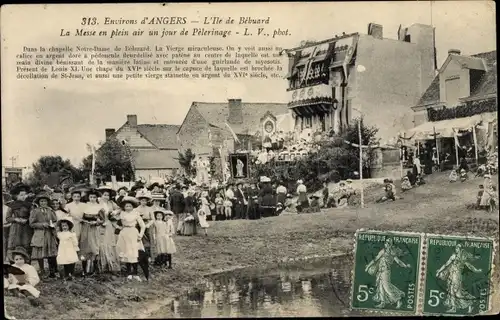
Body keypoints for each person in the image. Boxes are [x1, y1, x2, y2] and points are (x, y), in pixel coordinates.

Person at [115, 196, 146, 281]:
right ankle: (129, 272)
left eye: (130, 206)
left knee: (134, 252)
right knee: (126, 252)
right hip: (124, 233)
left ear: (133, 207)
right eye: (126, 206)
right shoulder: (122, 214)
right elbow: (114, 218)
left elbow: (143, 226)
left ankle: (135, 273)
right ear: (124, 207)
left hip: (133, 233)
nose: (128, 208)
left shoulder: (136, 214)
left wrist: (140, 235)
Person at [29, 193, 58, 279]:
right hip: (40, 234)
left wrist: (53, 225)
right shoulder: (34, 211)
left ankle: (52, 271)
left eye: (45, 201)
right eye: (41, 201)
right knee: (40, 253)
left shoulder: (50, 210)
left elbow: (55, 220)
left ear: (47, 202)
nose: (43, 203)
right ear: (39, 202)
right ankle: (42, 270)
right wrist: (41, 224)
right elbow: (31, 224)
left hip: (49, 234)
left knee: (51, 252)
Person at [80, 189, 105, 275]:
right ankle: (85, 269)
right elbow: (82, 218)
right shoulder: (85, 206)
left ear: (96, 198)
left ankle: (94, 269)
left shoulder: (99, 207)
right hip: (85, 228)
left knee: (94, 247)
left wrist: (97, 222)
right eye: (90, 197)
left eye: (94, 197)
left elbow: (103, 220)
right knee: (85, 246)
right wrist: (84, 221)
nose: (92, 199)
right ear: (88, 197)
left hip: (94, 229)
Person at [5, 184, 33, 261]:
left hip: (26, 228)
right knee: (14, 245)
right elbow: (8, 218)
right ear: (16, 196)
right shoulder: (12, 205)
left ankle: (27, 263)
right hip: (15, 228)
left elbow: (33, 216)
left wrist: (27, 220)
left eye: (25, 195)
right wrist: (16, 219)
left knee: (26, 245)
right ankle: (13, 264)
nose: (24, 196)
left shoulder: (29, 205)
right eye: (21, 195)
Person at [97, 186, 121, 274]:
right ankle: (103, 265)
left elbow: (119, 208)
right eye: (104, 195)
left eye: (107, 195)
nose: (106, 197)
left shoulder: (111, 203)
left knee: (110, 243)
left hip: (109, 225)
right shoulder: (98, 202)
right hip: (100, 225)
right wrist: (99, 220)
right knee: (102, 244)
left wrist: (115, 212)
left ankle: (112, 265)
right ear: (101, 195)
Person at [135, 190, 155, 263]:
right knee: (139, 240)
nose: (143, 202)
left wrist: (148, 224)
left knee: (148, 240)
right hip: (138, 225)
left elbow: (153, 219)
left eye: (145, 201)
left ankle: (148, 256)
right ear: (139, 201)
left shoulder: (149, 209)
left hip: (147, 225)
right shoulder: (136, 209)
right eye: (142, 200)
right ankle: (139, 256)